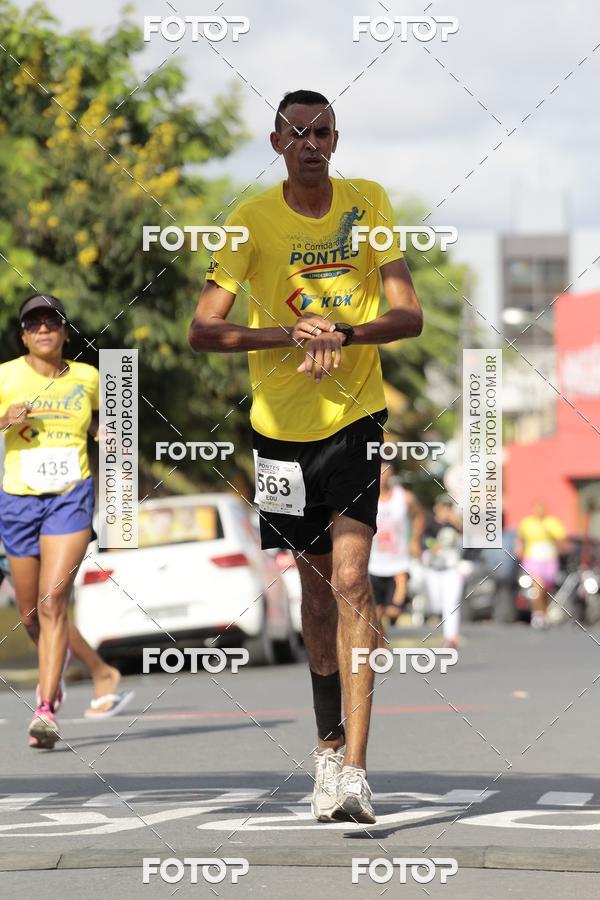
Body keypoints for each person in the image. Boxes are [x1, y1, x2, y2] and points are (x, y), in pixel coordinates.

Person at [189, 89, 422, 823]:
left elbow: (408, 313)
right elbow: (204, 330)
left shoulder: (369, 202)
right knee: (316, 596)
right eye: (297, 132)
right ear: (276, 142)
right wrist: (286, 335)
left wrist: (345, 334)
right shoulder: (251, 220)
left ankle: (355, 770)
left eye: (321, 131)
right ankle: (325, 750)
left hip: (355, 417)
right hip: (280, 433)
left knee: (353, 580)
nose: (311, 142)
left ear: (336, 138)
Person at [0, 294, 133, 749]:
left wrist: (106, 431)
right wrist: (4, 419)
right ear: (23, 335)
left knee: (54, 600)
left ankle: (45, 707)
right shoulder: (6, 376)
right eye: (33, 323)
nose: (43, 329)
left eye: (51, 322)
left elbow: (113, 422)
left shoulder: (91, 377)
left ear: (64, 331)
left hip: (71, 497)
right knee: (31, 614)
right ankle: (87, 674)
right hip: (17, 500)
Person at [369, 464, 425, 636]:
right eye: (379, 472)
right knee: (376, 616)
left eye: (386, 472)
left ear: (391, 474)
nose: (383, 476)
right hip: (374, 564)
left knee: (393, 612)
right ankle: (380, 651)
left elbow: (420, 515)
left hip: (399, 563)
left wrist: (415, 540)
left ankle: (398, 607)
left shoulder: (404, 497)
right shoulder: (366, 498)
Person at [516, 501, 567, 629]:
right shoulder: (527, 523)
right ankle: (537, 615)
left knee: (545, 590)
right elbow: (520, 538)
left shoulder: (551, 523)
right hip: (533, 560)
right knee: (538, 586)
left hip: (549, 560)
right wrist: (518, 549)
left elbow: (561, 539)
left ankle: (544, 614)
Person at [422, 494, 463, 649]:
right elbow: (422, 539)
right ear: (436, 508)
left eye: (448, 508)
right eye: (443, 508)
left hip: (452, 569)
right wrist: (432, 545)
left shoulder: (456, 524)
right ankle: (438, 617)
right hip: (433, 569)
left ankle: (451, 637)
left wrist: (458, 525)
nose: (445, 511)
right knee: (437, 605)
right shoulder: (429, 523)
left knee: (451, 603)